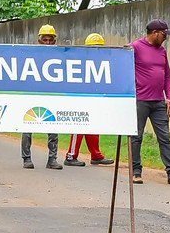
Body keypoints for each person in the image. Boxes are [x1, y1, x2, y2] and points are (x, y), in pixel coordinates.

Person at [129, 20, 170, 186]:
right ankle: (136, 172)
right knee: (136, 137)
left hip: (158, 101)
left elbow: (167, 75)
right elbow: (122, 66)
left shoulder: (162, 50)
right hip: (140, 100)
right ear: (155, 32)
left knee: (164, 137)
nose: (165, 38)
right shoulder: (135, 47)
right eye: (164, 34)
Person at [62, 34, 110, 167]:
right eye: (93, 47)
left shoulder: (102, 63)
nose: (96, 50)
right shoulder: (80, 62)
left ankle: (96, 155)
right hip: (80, 98)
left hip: (95, 98)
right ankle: (71, 156)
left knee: (94, 125)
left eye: (99, 47)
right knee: (79, 126)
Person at [22, 24, 61, 169]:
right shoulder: (31, 55)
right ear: (39, 41)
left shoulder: (59, 56)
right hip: (32, 94)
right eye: (45, 40)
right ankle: (26, 158)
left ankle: (52, 159)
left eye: (51, 40)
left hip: (51, 94)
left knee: (53, 127)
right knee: (27, 126)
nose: (48, 43)